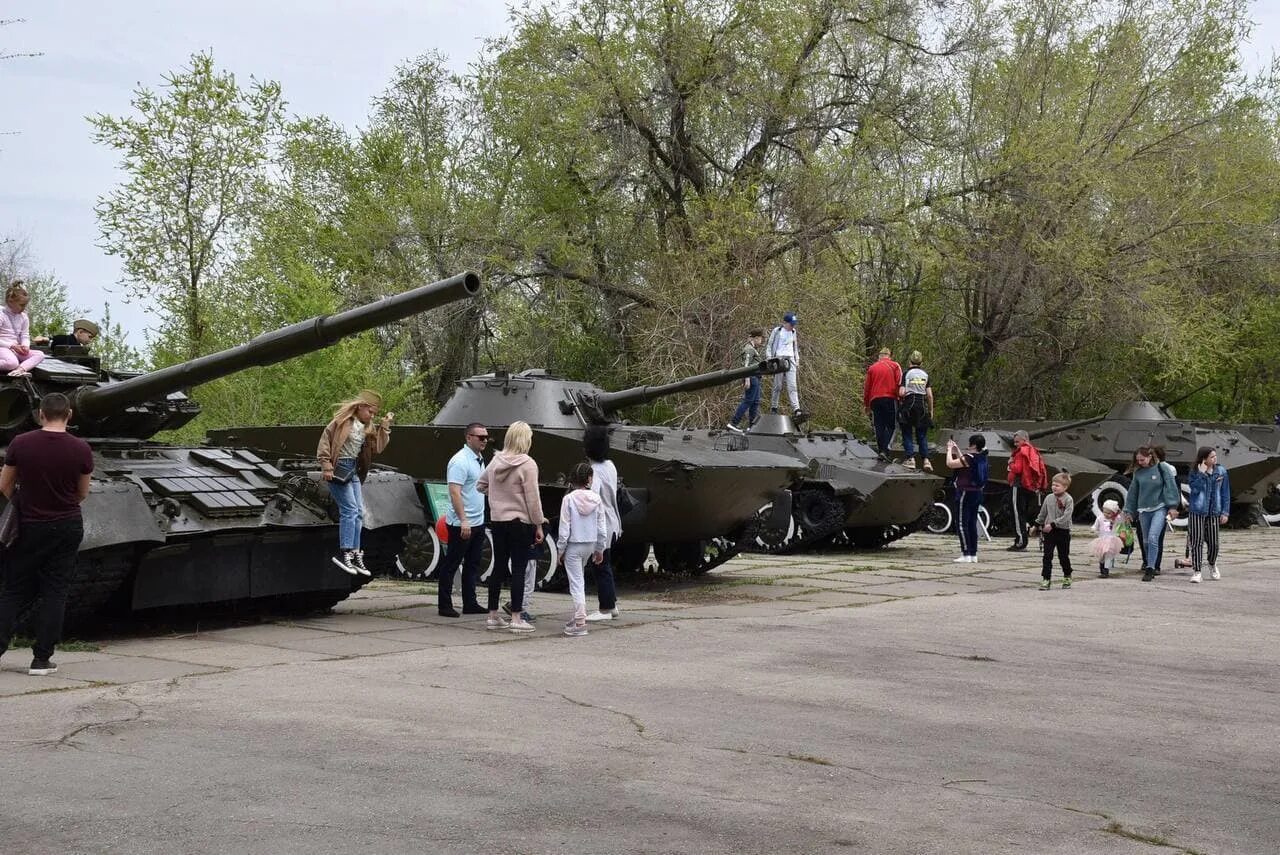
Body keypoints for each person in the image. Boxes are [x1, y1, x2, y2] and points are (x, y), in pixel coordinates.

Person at [0, 393, 93, 676]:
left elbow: (4, 485)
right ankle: (42, 659)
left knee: (13, 588)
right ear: (69, 415)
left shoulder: (21, 443)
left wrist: (27, 500)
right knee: (56, 591)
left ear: (40, 414)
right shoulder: (81, 449)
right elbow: (82, 493)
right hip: (66, 525)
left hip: (29, 524)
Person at [478, 420, 546, 634]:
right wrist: (539, 524)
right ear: (525, 440)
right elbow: (533, 499)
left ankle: (492, 615)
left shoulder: (495, 461)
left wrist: (498, 499)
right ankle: (516, 617)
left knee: (498, 567)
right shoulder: (528, 464)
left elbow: (481, 485)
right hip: (520, 522)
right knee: (518, 568)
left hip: (498, 521)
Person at [316, 390, 393, 576]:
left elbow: (378, 448)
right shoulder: (340, 423)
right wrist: (326, 466)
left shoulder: (367, 428)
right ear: (360, 407)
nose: (372, 416)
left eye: (375, 414)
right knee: (349, 510)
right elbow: (324, 442)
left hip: (354, 470)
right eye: (370, 412)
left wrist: (384, 426)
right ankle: (346, 553)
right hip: (338, 468)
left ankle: (355, 552)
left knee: (358, 512)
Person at [435, 423, 490, 617]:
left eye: (486, 437)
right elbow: (454, 492)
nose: (484, 440)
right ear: (468, 438)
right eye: (480, 437)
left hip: (478, 521)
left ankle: (470, 602)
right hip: (462, 523)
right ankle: (444, 605)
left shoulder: (478, 459)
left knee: (473, 564)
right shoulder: (460, 461)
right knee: (452, 563)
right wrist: (463, 520)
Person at [556, 462, 607, 637]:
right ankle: (578, 617)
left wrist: (560, 551)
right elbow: (602, 528)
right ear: (589, 479)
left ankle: (579, 620)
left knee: (576, 583)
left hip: (573, 545)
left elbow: (564, 529)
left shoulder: (568, 499)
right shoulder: (597, 499)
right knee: (581, 580)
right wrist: (600, 549)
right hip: (590, 545)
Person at [1122, 445, 1180, 582]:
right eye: (1138, 460)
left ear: (1150, 457)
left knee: (1154, 537)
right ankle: (1148, 562)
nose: (1139, 462)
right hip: (1143, 510)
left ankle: (1150, 568)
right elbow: (1133, 493)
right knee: (1146, 540)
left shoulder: (1162, 468)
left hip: (1159, 508)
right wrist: (1129, 511)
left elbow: (1171, 486)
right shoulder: (1138, 473)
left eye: (1142, 460)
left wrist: (1172, 506)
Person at [584, 424, 622, 622]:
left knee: (601, 565)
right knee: (605, 564)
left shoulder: (594, 471)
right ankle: (612, 604)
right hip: (612, 521)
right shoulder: (610, 465)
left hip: (601, 523)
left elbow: (593, 498)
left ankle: (606, 608)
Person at [1185, 446, 1230, 584]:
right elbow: (1195, 490)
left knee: (1214, 543)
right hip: (1197, 511)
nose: (1215, 459)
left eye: (1215, 456)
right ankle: (1197, 571)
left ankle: (1212, 563)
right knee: (1197, 542)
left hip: (1214, 512)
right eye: (1212, 457)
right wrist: (1202, 474)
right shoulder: (1195, 471)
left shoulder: (1221, 471)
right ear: (1204, 459)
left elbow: (1225, 492)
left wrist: (1225, 512)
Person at [946, 434, 988, 563]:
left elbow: (950, 464)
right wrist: (957, 450)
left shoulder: (969, 458)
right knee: (971, 523)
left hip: (965, 491)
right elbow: (965, 462)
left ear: (973, 445)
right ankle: (973, 554)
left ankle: (965, 553)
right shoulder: (982, 457)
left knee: (961, 523)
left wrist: (949, 450)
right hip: (977, 492)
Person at [1006, 430, 1049, 551]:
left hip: (1019, 485)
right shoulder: (1033, 451)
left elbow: (1018, 469)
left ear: (1024, 440)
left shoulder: (1021, 451)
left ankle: (1020, 541)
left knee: (1017, 513)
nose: (1015, 444)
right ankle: (1044, 537)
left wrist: (1010, 463)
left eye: (1017, 441)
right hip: (1030, 486)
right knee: (1030, 513)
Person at [1035, 473, 1075, 590]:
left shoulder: (1068, 499)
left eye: (1057, 485)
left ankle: (1067, 575)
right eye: (1053, 484)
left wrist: (1053, 524)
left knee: (1063, 556)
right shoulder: (1048, 498)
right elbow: (1043, 513)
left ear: (1065, 487)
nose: (1054, 487)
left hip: (1062, 531)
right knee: (1047, 556)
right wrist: (1037, 524)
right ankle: (1046, 579)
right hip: (1049, 532)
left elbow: (1067, 516)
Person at [896, 350, 933, 470]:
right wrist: (931, 410)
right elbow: (930, 395)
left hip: (909, 403)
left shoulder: (906, 373)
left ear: (910, 361)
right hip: (922, 404)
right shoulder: (925, 375)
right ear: (921, 362)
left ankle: (910, 459)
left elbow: (901, 392)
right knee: (921, 434)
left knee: (907, 432)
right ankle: (926, 460)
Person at [1, 281, 47, 377]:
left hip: (15, 350)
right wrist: (11, 346)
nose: (24, 308)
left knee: (40, 354)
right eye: (21, 305)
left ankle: (19, 370)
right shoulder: (1, 314)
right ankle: (14, 366)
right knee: (11, 363)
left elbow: (25, 335)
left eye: (25, 305)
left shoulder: (24, 317)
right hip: (3, 347)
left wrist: (25, 346)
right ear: (10, 301)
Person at [863, 347, 902, 456]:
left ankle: (881, 450)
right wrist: (900, 399)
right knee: (891, 425)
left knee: (878, 425)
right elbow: (900, 383)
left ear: (879, 356)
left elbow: (867, 388)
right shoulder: (895, 366)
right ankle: (885, 449)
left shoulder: (872, 368)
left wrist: (866, 405)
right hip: (890, 398)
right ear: (889, 356)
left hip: (875, 399)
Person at [727, 328, 765, 432]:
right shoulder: (749, 349)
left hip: (756, 378)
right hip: (751, 377)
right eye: (761, 338)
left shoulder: (754, 349)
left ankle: (751, 426)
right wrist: (747, 379)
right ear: (756, 338)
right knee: (748, 400)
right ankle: (733, 422)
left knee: (755, 402)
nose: (761, 341)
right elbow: (746, 365)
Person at [765, 312, 801, 417]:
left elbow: (795, 347)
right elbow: (769, 345)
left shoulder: (794, 331)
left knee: (792, 385)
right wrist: (769, 358)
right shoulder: (777, 331)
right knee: (778, 386)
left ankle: (796, 409)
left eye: (794, 324)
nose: (793, 326)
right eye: (791, 324)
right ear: (785, 323)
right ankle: (774, 407)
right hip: (779, 359)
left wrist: (797, 359)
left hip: (791, 360)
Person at [1090, 499, 1124, 578]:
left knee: (1108, 555)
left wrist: (1119, 512)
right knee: (1101, 556)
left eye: (1109, 513)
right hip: (1101, 540)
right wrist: (1093, 528)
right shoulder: (1100, 518)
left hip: (1111, 540)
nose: (1106, 514)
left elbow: (1122, 519)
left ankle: (1106, 570)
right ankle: (1102, 568)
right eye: (1104, 512)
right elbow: (1096, 525)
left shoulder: (1115, 519)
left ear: (1114, 513)